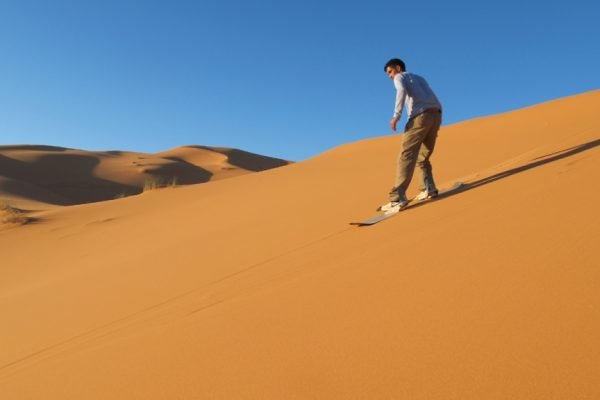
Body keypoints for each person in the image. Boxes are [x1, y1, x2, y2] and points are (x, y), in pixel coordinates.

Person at [380, 58, 443, 212]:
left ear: (398, 68)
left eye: (390, 72)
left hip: (419, 117)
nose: (390, 76)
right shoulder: (420, 78)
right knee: (423, 156)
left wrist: (396, 116)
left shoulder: (400, 77)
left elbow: (401, 91)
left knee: (406, 155)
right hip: (435, 115)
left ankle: (397, 197)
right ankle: (429, 188)